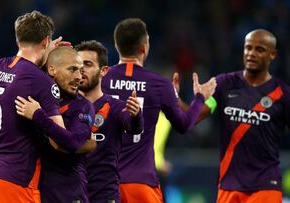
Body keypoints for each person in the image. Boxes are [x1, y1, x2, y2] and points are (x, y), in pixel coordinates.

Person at [0, 11, 86, 203]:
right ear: (46, 41)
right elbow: (65, 140)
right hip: (16, 179)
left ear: (18, 39)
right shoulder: (43, 82)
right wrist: (38, 114)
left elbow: (11, 117)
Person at [101, 18, 217, 202]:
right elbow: (184, 124)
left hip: (102, 183)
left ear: (116, 45)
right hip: (141, 184)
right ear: (145, 47)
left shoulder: (101, 79)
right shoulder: (160, 84)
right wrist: (201, 98)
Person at [183, 29, 289, 203]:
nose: (251, 53)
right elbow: (191, 119)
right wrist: (173, 97)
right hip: (228, 187)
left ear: (273, 54)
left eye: (259, 49)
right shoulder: (225, 84)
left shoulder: (282, 94)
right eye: (248, 48)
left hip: (266, 187)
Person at [15, 46, 96, 203]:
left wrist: (38, 115)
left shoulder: (83, 106)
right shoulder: (39, 99)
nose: (79, 76)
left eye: (81, 70)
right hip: (37, 190)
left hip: (68, 193)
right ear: (52, 70)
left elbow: (74, 143)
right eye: (73, 69)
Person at [74, 40, 143, 203]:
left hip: (103, 196)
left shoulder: (115, 107)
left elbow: (134, 128)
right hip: (72, 195)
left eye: (88, 64)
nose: (81, 70)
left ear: (104, 70)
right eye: (77, 65)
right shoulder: (65, 106)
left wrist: (135, 115)